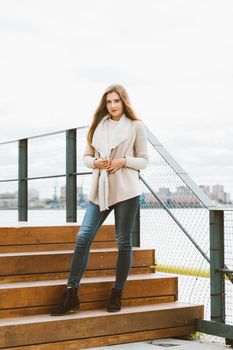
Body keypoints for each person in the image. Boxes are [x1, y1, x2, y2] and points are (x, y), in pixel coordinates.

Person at [51, 84, 149, 316]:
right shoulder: (97, 126)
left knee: (123, 241)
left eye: (116, 101)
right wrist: (95, 163)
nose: (113, 105)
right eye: (109, 102)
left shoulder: (136, 126)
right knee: (84, 236)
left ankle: (117, 292)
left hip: (126, 189)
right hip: (100, 188)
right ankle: (71, 292)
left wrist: (123, 161)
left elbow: (144, 160)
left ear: (124, 102)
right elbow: (86, 156)